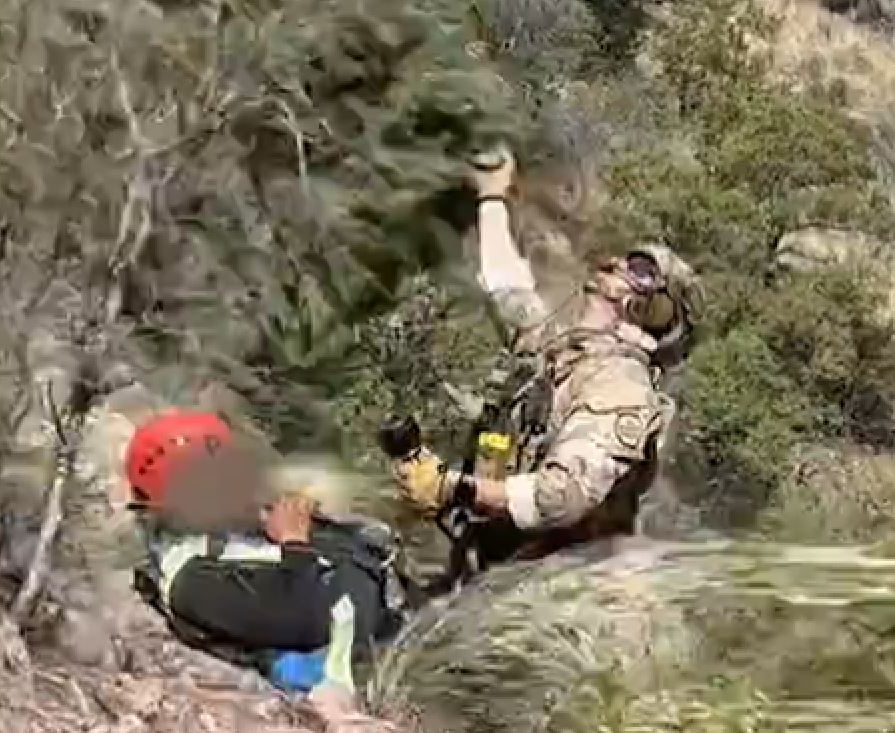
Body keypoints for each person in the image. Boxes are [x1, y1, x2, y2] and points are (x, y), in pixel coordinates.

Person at [389, 143, 706, 564]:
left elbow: (564, 496)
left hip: (566, 596)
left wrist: (453, 487)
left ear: (653, 311)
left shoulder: (619, 385)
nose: (615, 265)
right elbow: (507, 289)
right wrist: (491, 196)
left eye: (642, 272)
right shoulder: (562, 352)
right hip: (506, 569)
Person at [125, 408, 409, 703]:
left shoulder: (215, 529)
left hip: (379, 596)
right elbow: (303, 615)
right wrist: (294, 542)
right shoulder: (194, 584)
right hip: (370, 644)